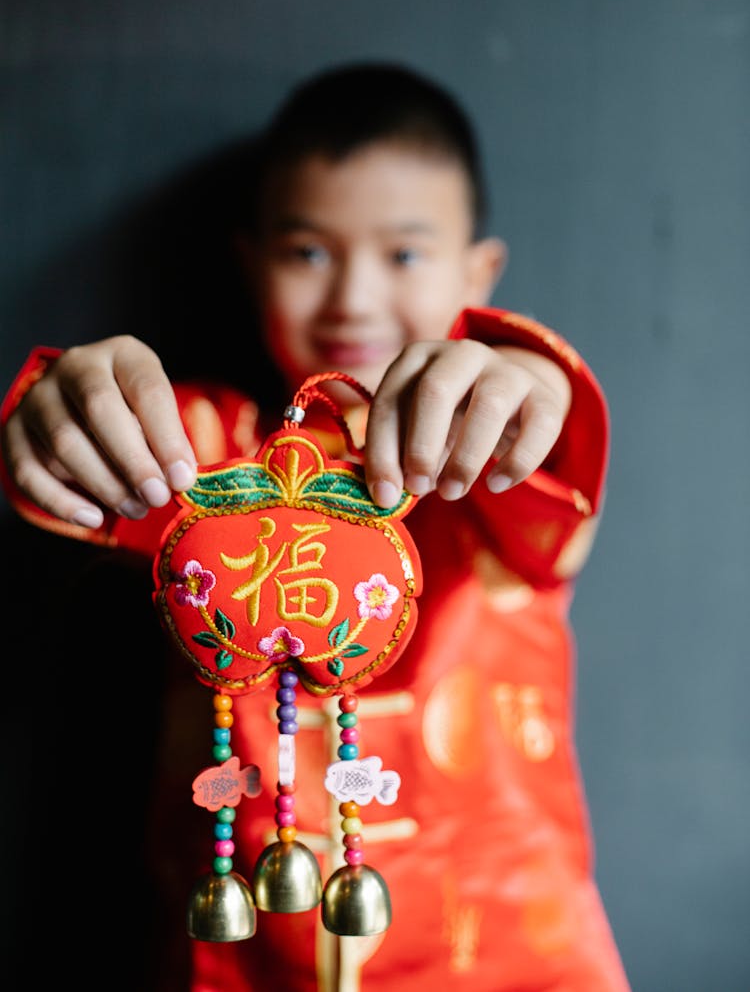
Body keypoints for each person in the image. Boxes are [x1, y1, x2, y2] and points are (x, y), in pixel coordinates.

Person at [0, 62, 630, 991]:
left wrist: (524, 378)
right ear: (251, 263)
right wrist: (65, 407)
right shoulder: (207, 455)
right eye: (308, 252)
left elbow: (553, 443)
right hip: (245, 961)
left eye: (404, 254)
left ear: (478, 274)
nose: (352, 299)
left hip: (508, 957)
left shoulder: (492, 457)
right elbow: (82, 473)